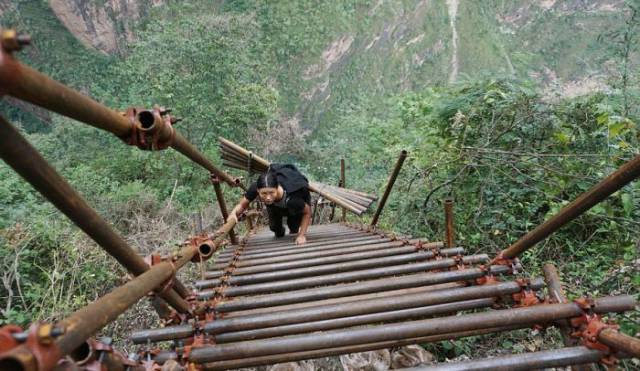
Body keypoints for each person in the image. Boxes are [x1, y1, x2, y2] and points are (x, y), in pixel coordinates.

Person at [227, 164, 312, 245]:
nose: (268, 197)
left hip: (293, 204)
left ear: (277, 188)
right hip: (274, 205)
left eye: (271, 192)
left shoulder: (293, 198)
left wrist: (302, 236)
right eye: (264, 193)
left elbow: (307, 212)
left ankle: (294, 232)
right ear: (258, 191)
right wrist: (233, 213)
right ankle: (280, 231)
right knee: (275, 228)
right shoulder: (255, 188)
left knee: (294, 228)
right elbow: (242, 205)